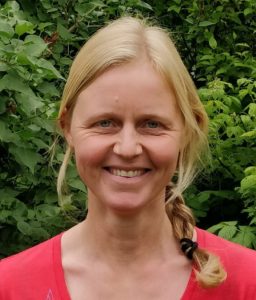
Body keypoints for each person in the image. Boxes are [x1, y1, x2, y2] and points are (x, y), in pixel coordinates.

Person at [0, 16, 256, 300]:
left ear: (186, 130)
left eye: (152, 124)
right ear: (67, 128)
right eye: (105, 123)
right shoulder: (10, 287)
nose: (127, 148)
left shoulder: (245, 283)